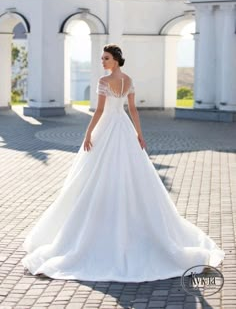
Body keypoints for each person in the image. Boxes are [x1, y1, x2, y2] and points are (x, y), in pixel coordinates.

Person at [21, 44, 225, 282]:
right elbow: (133, 111)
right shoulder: (128, 80)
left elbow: (98, 111)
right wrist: (138, 134)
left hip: (107, 128)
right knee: (124, 171)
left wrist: (88, 134)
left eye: (106, 58)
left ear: (116, 59)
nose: (103, 61)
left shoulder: (104, 81)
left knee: (97, 173)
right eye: (102, 58)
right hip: (124, 128)